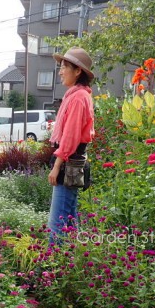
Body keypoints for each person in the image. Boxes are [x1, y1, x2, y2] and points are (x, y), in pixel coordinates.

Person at [48, 47, 95, 239]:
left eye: (64, 67)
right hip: (71, 161)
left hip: (68, 163)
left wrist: (57, 165)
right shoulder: (76, 95)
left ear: (78, 71)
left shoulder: (78, 97)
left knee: (57, 224)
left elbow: (71, 136)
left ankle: (53, 266)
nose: (60, 71)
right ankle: (69, 264)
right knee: (68, 221)